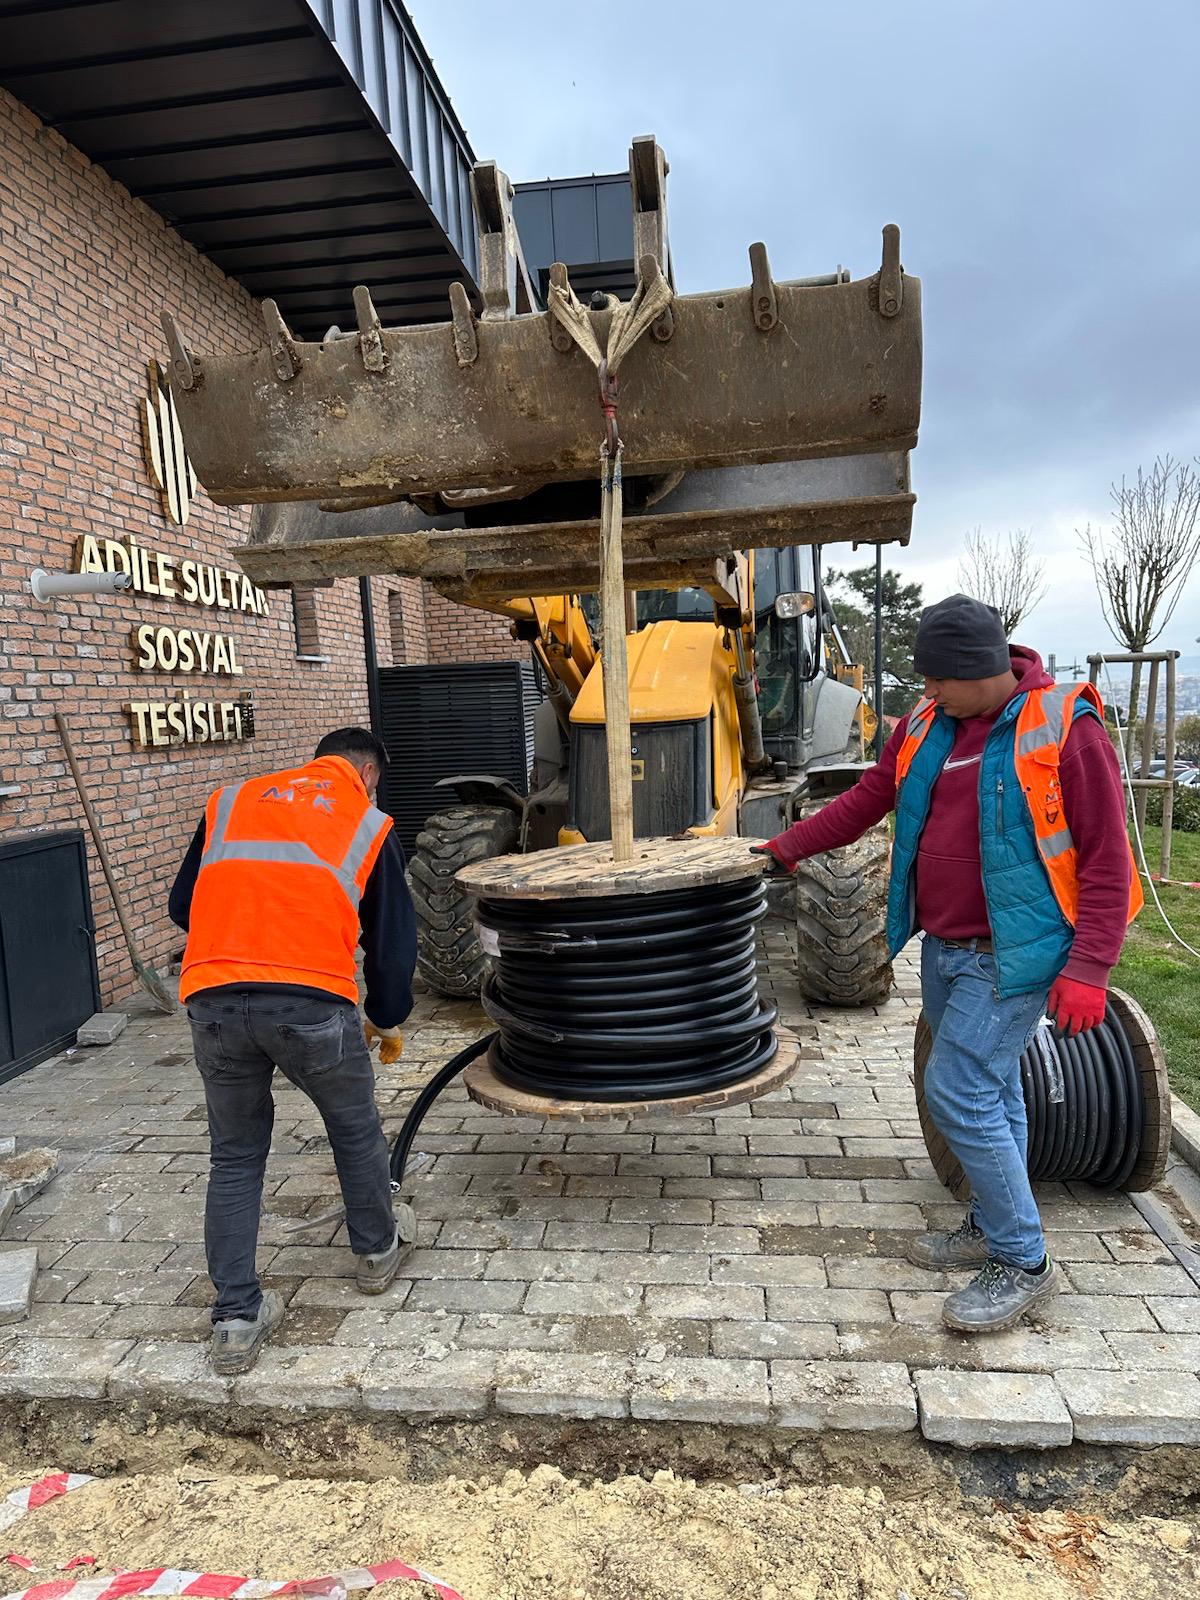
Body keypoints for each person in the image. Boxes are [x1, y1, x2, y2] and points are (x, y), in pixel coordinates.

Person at [754, 595, 1141, 1334]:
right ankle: (991, 1223)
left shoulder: (1064, 728)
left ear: (980, 669)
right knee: (994, 1093)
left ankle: (1024, 1262)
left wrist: (1090, 967)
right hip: (944, 945)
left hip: (1015, 953)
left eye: (937, 680)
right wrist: (787, 847)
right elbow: (870, 798)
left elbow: (1107, 859)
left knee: (958, 1091)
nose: (924, 693)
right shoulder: (926, 726)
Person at [169, 726, 417, 1373]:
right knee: (353, 1129)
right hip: (312, 1005)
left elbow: (180, 906)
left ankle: (236, 1319)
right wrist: (387, 1017)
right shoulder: (367, 822)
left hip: (214, 1000)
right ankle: (375, 1253)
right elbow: (391, 947)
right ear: (368, 774)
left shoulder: (231, 801)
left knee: (236, 1154)